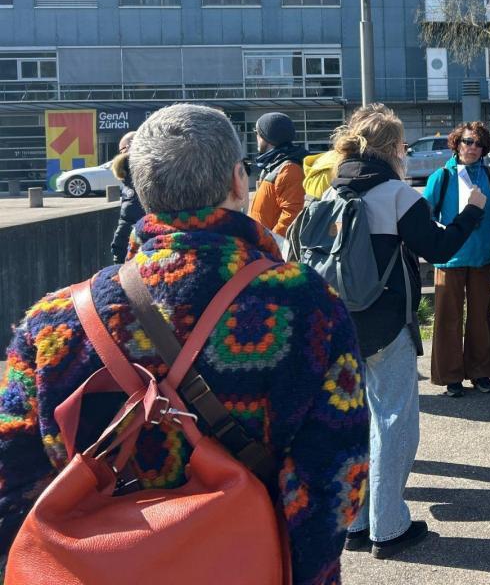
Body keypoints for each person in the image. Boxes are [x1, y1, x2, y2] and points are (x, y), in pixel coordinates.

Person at [0, 104, 368, 585]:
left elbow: (12, 476)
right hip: (250, 564)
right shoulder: (307, 304)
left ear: (141, 188)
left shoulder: (51, 322)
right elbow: (337, 474)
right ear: (240, 181)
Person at [328, 104, 487, 558]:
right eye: (400, 144)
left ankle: (355, 522)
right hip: (386, 323)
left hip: (338, 325)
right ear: (390, 148)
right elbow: (439, 247)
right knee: (395, 420)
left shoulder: (329, 191)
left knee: (355, 422)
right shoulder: (397, 194)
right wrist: (472, 212)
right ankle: (390, 526)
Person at [424, 121, 490, 397]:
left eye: (478, 144)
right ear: (456, 143)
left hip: (482, 257)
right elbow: (426, 215)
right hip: (449, 258)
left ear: (485, 149)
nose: (472, 148)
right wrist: (441, 236)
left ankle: (480, 373)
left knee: (481, 317)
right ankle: (450, 376)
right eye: (467, 142)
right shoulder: (441, 177)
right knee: (448, 317)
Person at [249, 111, 307, 236]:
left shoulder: (289, 168)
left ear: (267, 136)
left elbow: (292, 215)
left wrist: (272, 243)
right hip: (263, 244)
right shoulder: (274, 165)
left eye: (257, 134)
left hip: (274, 249)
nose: (256, 138)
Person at [109, 130, 144, 263]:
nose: (121, 153)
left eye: (122, 149)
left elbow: (128, 219)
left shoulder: (134, 179)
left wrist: (118, 253)